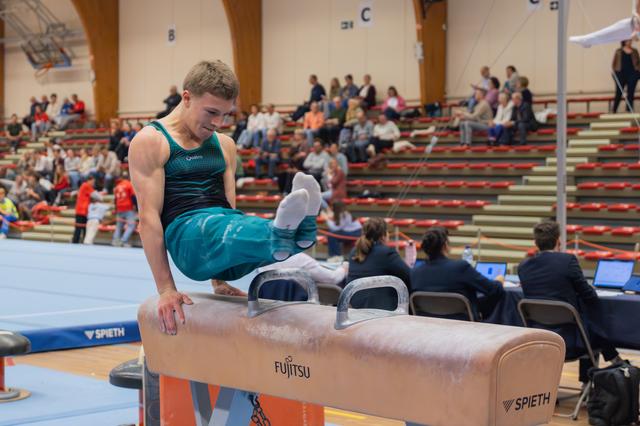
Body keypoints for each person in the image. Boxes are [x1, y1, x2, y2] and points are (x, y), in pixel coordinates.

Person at [128, 60, 322, 335]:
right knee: (219, 227)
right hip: (187, 239)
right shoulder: (152, 141)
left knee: (246, 229)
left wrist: (218, 281)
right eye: (211, 112)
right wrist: (167, 289)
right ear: (186, 98)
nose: (218, 123)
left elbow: (229, 213)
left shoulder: (225, 145)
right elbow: (148, 221)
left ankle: (298, 234)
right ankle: (279, 232)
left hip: (220, 240)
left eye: (225, 114)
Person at [518, 221, 623, 383]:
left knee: (584, 321)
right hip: (572, 341)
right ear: (558, 241)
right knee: (591, 322)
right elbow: (589, 295)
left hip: (540, 339)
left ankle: (613, 361)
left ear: (535, 243)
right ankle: (596, 376)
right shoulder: (567, 261)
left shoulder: (523, 266)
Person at [410, 227, 504, 320]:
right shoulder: (460, 267)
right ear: (445, 246)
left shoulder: (415, 272)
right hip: (463, 327)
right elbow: (493, 290)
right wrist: (499, 281)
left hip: (428, 326)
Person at [346, 217, 411, 310]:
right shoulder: (386, 253)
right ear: (383, 235)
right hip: (380, 310)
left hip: (356, 307)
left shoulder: (354, 251)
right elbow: (408, 275)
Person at [569, 1, 640, 48]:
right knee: (610, 37)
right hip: (632, 26)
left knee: (609, 35)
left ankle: (587, 40)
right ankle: (588, 41)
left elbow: (637, 10)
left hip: (632, 26)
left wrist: (637, 30)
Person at [612, 40, 640, 112]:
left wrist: (637, 72)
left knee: (630, 93)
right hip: (621, 74)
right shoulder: (618, 51)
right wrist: (615, 73)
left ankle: (629, 110)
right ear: (624, 41)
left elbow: (638, 62)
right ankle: (614, 110)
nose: (630, 42)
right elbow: (614, 64)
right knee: (619, 92)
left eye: (630, 40)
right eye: (628, 40)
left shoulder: (634, 51)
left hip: (632, 74)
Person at [277, 129, 307, 194]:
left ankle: (288, 191)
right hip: (293, 164)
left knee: (292, 173)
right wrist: (295, 147)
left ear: (301, 135)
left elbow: (304, 154)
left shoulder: (305, 143)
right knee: (282, 174)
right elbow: (290, 155)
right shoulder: (294, 144)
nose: (295, 136)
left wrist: (297, 156)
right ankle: (283, 191)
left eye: (296, 134)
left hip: (302, 166)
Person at [112, 175, 137, 247]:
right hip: (128, 207)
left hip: (119, 207)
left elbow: (115, 199)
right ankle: (123, 241)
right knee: (131, 225)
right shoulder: (129, 184)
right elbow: (133, 197)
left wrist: (116, 208)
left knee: (119, 226)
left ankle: (115, 241)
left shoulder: (117, 186)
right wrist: (137, 208)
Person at [73, 175, 97, 244]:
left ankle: (81, 242)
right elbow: (97, 196)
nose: (93, 183)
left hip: (83, 210)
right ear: (89, 180)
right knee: (79, 228)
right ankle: (75, 242)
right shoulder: (86, 185)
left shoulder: (84, 186)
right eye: (93, 182)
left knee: (83, 228)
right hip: (81, 210)